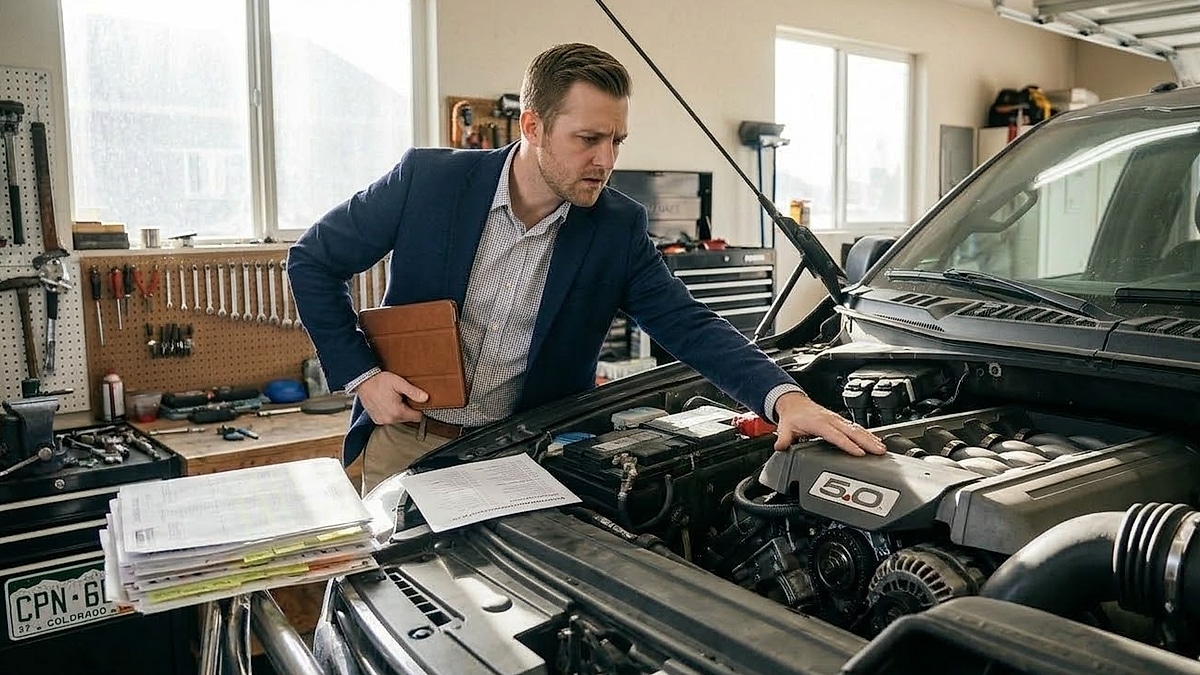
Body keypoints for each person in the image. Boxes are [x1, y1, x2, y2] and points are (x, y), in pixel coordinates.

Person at [288, 42, 885, 492]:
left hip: (524, 457)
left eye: (618, 140)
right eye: (588, 139)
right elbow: (312, 261)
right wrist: (362, 375)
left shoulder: (616, 228)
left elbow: (690, 325)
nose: (607, 160)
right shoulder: (428, 182)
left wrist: (783, 398)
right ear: (532, 127)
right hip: (405, 442)